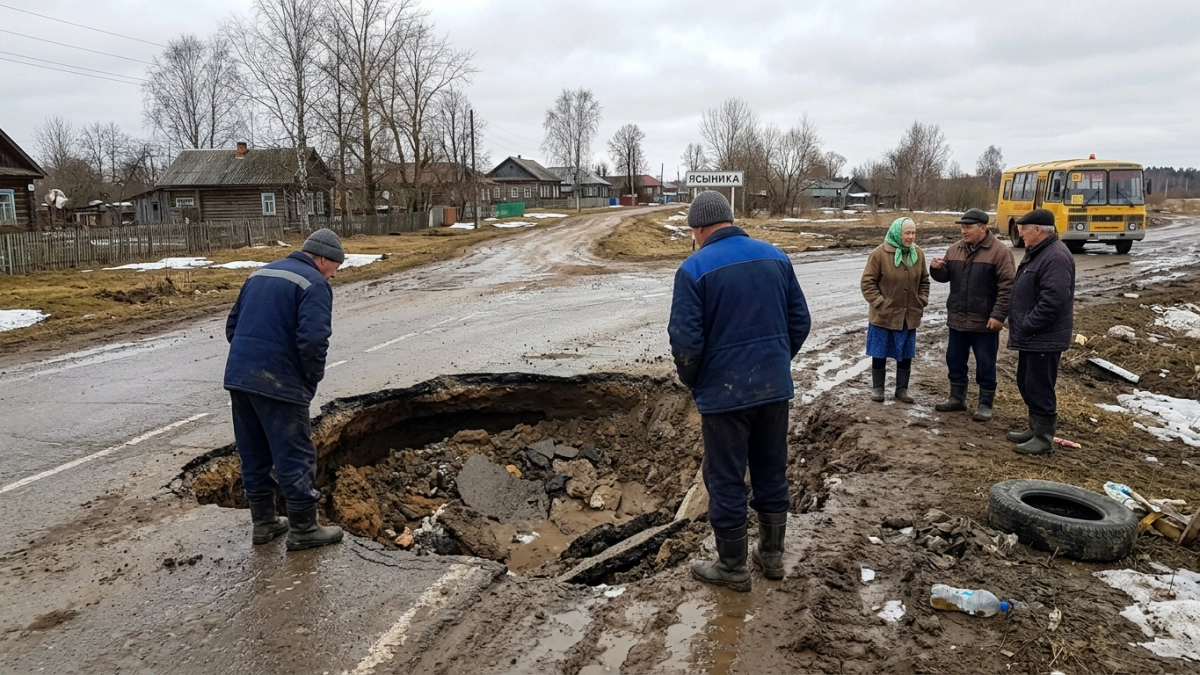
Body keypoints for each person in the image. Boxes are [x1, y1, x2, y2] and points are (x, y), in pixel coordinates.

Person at [668, 190, 811, 593]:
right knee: (771, 469)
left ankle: (732, 566)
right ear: (730, 220)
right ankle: (772, 556)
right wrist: (776, 361)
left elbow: (685, 343)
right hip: (773, 389)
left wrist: (697, 381)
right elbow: (800, 322)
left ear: (698, 228)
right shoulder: (776, 257)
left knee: (726, 478)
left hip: (724, 396)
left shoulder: (693, 270)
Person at [224, 228, 346, 551]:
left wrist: (250, 359)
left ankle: (263, 523)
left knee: (254, 452)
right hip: (280, 382)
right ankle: (304, 529)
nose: (334, 275)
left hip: (239, 377)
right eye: (336, 267)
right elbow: (314, 340)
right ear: (323, 259)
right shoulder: (314, 283)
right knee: (294, 453)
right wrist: (310, 379)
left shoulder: (259, 274)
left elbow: (232, 327)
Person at [929, 208, 1016, 422]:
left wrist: (998, 315)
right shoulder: (955, 249)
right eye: (962, 227)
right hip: (957, 319)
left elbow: (1008, 287)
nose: (963, 231)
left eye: (968, 227)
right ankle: (957, 398)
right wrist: (937, 269)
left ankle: (985, 404)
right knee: (954, 360)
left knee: (986, 363)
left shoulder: (1000, 252)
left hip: (984, 321)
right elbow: (946, 277)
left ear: (983, 228)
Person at [1005, 209, 1075, 454]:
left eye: (1023, 229)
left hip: (1044, 337)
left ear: (1037, 230)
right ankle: (1035, 428)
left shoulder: (1055, 257)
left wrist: (1028, 323)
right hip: (1034, 336)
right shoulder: (1039, 252)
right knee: (1028, 382)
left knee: (1040, 386)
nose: (1020, 234)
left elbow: (1054, 300)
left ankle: (1044, 438)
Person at [860, 217, 930, 403]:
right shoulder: (879, 254)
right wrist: (880, 303)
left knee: (906, 354)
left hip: (909, 315)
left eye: (913, 233)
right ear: (897, 233)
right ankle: (878, 389)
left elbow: (924, 281)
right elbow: (867, 283)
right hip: (883, 315)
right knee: (879, 352)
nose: (911, 237)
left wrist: (922, 300)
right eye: (907, 233)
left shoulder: (918, 253)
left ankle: (902, 390)